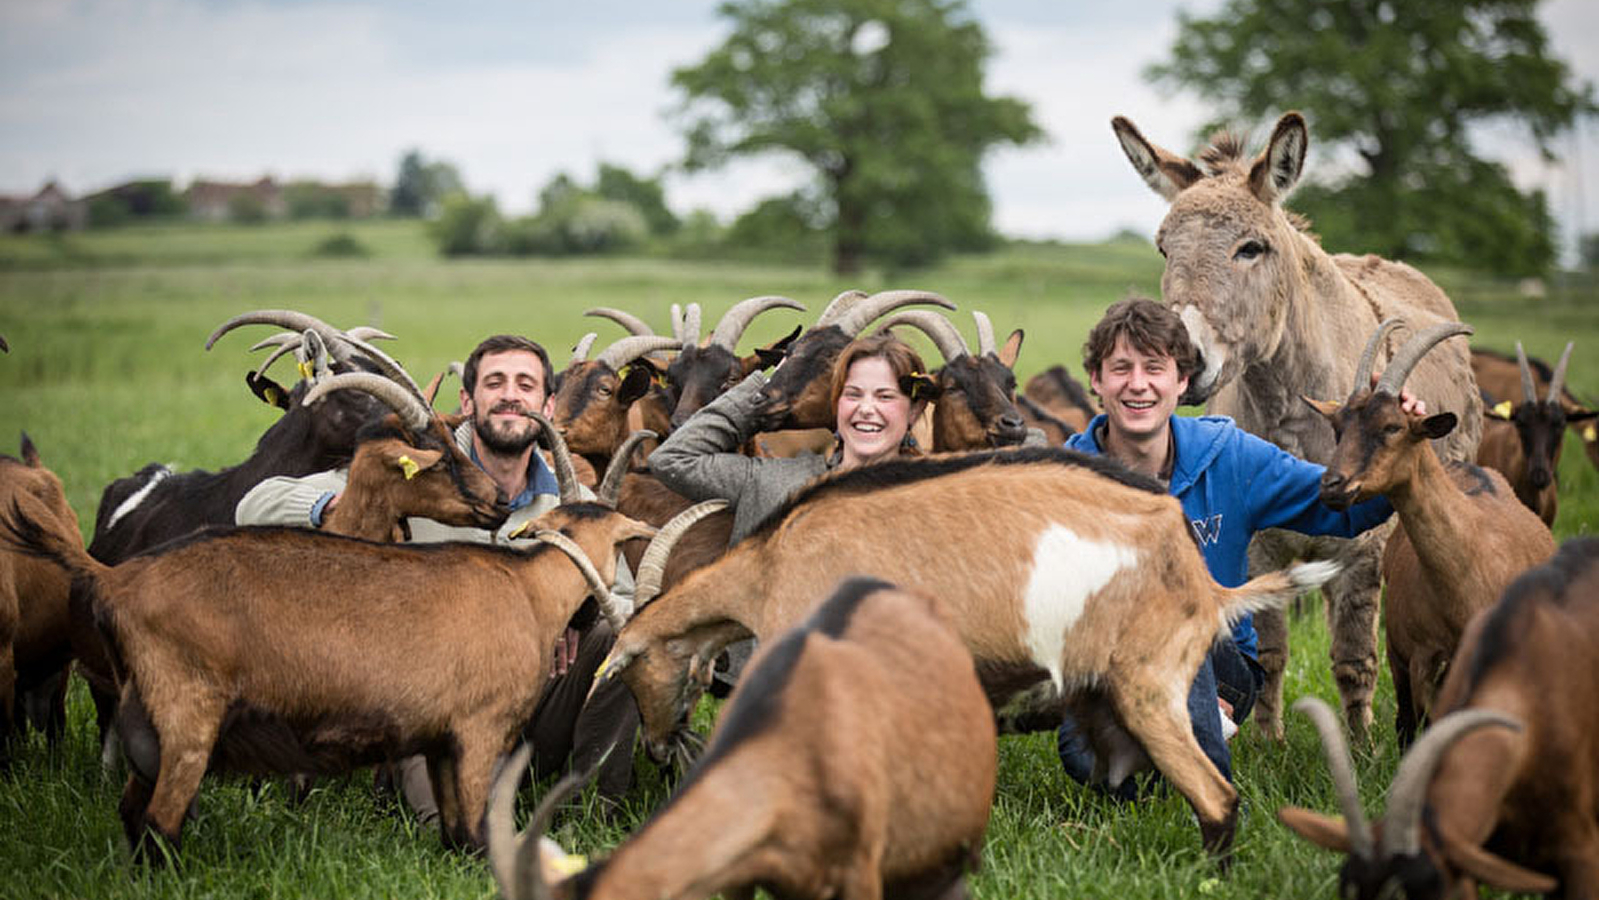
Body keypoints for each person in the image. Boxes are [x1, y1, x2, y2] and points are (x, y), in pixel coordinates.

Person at [235, 334, 639, 820]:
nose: (510, 394)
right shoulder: (419, 471)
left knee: (629, 641)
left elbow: (627, 601)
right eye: (495, 382)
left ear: (549, 404)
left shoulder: (573, 503)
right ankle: (436, 795)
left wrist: (570, 616)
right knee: (474, 838)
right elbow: (252, 505)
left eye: (525, 384)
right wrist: (331, 506)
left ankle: (595, 810)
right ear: (468, 401)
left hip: (538, 695)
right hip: (434, 707)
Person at [1055, 297, 1422, 794]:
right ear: (1096, 381)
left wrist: (1394, 441)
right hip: (1107, 667)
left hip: (1219, 657)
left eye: (1155, 368)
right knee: (1090, 767)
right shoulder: (1062, 480)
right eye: (1121, 368)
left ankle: (1199, 749)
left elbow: (1347, 509)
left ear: (1182, 381)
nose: (1137, 384)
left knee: (1180, 608)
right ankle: (1173, 735)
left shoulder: (1229, 458)